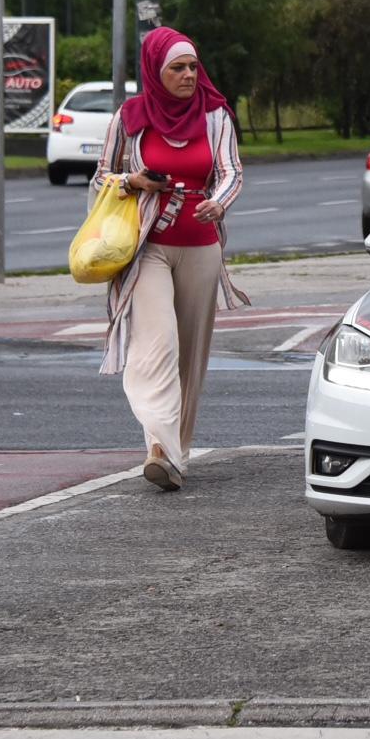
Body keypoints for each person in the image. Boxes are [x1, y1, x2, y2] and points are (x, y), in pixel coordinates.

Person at [96, 29, 250, 492]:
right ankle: (158, 447)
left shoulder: (214, 114)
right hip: (147, 247)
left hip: (202, 246)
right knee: (156, 344)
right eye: (177, 68)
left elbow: (231, 171)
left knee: (190, 354)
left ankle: (174, 454)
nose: (188, 76)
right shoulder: (130, 118)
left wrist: (219, 203)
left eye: (192, 67)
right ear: (155, 72)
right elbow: (103, 175)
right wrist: (134, 181)